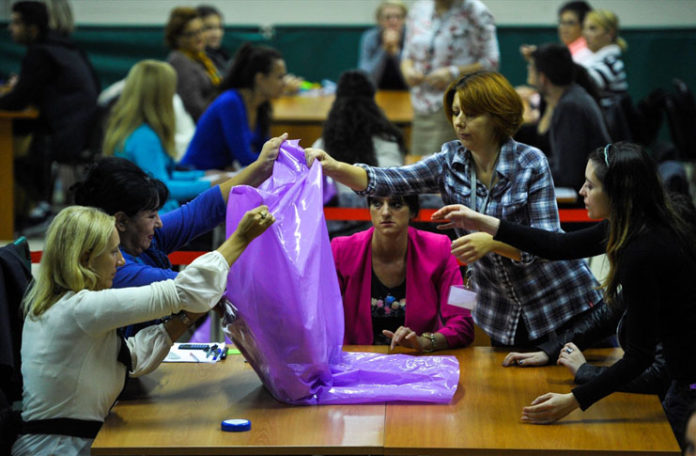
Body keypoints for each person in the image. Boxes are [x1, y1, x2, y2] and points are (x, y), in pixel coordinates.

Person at [305, 71, 603, 347]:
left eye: (471, 114)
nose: (459, 122)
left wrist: (492, 244)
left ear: (497, 116)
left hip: (561, 304)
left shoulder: (530, 162)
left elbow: (548, 243)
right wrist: (332, 166)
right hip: (503, 317)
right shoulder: (450, 159)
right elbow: (390, 179)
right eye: (456, 112)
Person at [431, 142, 696, 450]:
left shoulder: (642, 251)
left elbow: (639, 357)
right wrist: (484, 222)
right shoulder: (640, 223)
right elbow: (559, 246)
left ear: (618, 194)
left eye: (590, 185)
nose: (582, 191)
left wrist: (572, 401)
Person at [10, 204, 274, 456]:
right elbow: (185, 290)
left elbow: (130, 358)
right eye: (113, 252)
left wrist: (189, 314)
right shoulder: (80, 309)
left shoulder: (57, 306)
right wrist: (241, 237)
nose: (121, 262)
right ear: (85, 258)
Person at [73, 133, 287, 336]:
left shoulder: (134, 237)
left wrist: (260, 168)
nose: (159, 222)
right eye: (151, 215)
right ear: (121, 221)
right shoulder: (116, 269)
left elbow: (201, 211)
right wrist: (241, 238)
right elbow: (195, 286)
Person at [332, 194, 473, 350]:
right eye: (377, 204)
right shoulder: (341, 249)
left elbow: (464, 322)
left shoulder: (441, 248)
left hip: (419, 361)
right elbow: (320, 316)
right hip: (357, 363)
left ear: (413, 211)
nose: (385, 212)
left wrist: (425, 342)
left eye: (396, 204)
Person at [0, 1, 98, 223]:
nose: (10, 28)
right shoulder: (65, 47)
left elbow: (18, 100)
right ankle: (37, 206)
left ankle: (38, 209)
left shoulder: (41, 53)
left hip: (62, 136)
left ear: (32, 28)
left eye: (16, 22)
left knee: (8, 153)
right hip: (79, 130)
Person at [102, 60, 223, 213]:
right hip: (156, 217)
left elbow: (161, 175)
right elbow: (160, 187)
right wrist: (212, 185)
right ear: (161, 96)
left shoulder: (132, 129)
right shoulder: (144, 137)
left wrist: (202, 175)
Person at [400, 0, 499, 157]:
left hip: (455, 105)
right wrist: (407, 70)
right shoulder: (419, 8)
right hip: (420, 105)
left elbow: (491, 62)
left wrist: (453, 73)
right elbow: (407, 54)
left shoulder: (475, 11)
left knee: (441, 169)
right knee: (418, 167)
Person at [312, 70, 405, 234]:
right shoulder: (387, 140)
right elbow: (393, 181)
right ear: (372, 100)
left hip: (331, 227)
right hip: (376, 224)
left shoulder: (321, 144)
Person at [181, 43, 287, 170]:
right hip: (196, 174)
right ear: (259, 79)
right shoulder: (230, 102)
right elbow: (245, 158)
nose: (285, 83)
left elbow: (265, 150)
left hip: (221, 173)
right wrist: (284, 162)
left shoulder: (261, 104)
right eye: (280, 77)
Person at [527, 43, 609, 190]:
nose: (528, 70)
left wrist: (524, 174)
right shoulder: (571, 97)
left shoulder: (570, 107)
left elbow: (568, 175)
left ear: (543, 77)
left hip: (584, 199)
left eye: (531, 67)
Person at [165, 7, 220, 122]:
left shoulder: (202, 58)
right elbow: (194, 108)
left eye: (201, 30)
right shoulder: (179, 61)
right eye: (191, 34)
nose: (199, 37)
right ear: (177, 38)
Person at [520, 1, 593, 66]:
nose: (564, 28)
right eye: (561, 22)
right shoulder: (566, 51)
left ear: (584, 25)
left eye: (570, 23)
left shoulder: (587, 53)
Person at [358, 0, 408, 90]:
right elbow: (365, 78)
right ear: (379, 20)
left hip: (406, 94)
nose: (393, 21)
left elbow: (411, 81)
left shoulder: (411, 38)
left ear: (404, 19)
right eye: (388, 17)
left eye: (398, 17)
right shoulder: (370, 38)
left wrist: (395, 52)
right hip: (376, 93)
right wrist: (384, 49)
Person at [581, 9, 628, 94]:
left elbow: (585, 85)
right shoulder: (589, 58)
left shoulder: (612, 63)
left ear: (610, 33)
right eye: (584, 28)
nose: (585, 34)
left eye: (592, 28)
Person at [196, 4, 230, 73]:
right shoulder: (195, 61)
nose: (216, 34)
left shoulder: (222, 56)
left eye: (219, 27)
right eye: (209, 28)